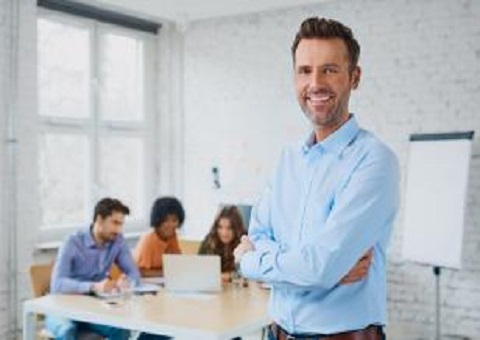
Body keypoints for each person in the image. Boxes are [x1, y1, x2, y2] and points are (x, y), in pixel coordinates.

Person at [234, 17, 399, 340]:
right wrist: (317, 270)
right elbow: (265, 238)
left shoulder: (374, 160)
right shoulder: (287, 160)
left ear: (355, 77)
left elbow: (319, 266)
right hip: (276, 334)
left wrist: (249, 262)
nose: (315, 83)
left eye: (330, 70)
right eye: (304, 70)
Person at [46, 197, 139, 340]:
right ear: (100, 220)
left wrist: (127, 282)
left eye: (121, 224)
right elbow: (57, 285)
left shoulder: (117, 240)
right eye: (115, 223)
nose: (119, 229)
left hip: (92, 307)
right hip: (62, 305)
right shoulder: (72, 242)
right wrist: (93, 287)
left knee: (120, 330)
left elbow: (134, 272)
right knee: (67, 330)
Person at [134, 196, 185, 277]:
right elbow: (139, 271)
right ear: (157, 220)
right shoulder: (148, 240)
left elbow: (177, 263)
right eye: (166, 220)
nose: (171, 225)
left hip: (162, 282)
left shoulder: (172, 236)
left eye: (174, 220)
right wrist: (166, 273)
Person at [198, 205, 246, 282]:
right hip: (212, 286)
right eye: (220, 227)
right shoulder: (209, 240)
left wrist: (230, 276)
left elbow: (249, 273)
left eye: (229, 228)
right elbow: (199, 266)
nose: (224, 233)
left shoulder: (244, 241)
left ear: (237, 229)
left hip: (237, 289)